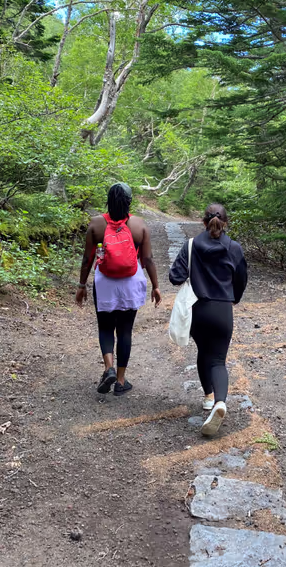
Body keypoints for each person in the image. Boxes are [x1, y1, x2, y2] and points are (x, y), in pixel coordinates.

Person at [169, 203, 247, 436]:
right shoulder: (234, 247)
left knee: (204, 351)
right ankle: (220, 402)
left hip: (197, 309)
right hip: (223, 309)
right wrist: (234, 298)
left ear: (203, 222)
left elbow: (175, 277)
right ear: (226, 223)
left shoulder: (191, 246)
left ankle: (207, 397)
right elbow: (241, 279)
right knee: (218, 360)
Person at [76, 182, 161, 395]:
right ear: (129, 202)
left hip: (104, 282)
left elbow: (87, 258)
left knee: (105, 326)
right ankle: (121, 381)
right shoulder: (139, 225)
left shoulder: (96, 224)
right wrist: (156, 286)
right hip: (131, 282)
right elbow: (148, 259)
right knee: (125, 330)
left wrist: (81, 285)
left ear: (108, 200)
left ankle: (108, 368)